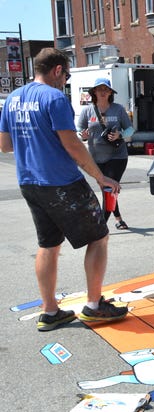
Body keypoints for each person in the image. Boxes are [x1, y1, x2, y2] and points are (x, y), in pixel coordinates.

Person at [0, 48, 128, 331]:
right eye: (66, 75)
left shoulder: (12, 99)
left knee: (48, 244)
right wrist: (100, 177)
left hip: (29, 182)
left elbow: (5, 146)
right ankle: (94, 306)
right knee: (99, 237)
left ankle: (50, 311)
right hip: (61, 182)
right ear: (57, 70)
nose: (66, 80)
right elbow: (73, 145)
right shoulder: (55, 98)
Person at [77, 78, 134, 229]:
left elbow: (130, 129)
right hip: (96, 158)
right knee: (107, 190)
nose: (103, 92)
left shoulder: (118, 109)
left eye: (106, 89)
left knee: (109, 189)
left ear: (110, 93)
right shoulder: (87, 111)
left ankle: (99, 226)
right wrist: (82, 135)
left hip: (117, 156)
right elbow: (78, 131)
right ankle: (118, 219)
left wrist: (119, 135)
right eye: (99, 89)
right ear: (94, 92)